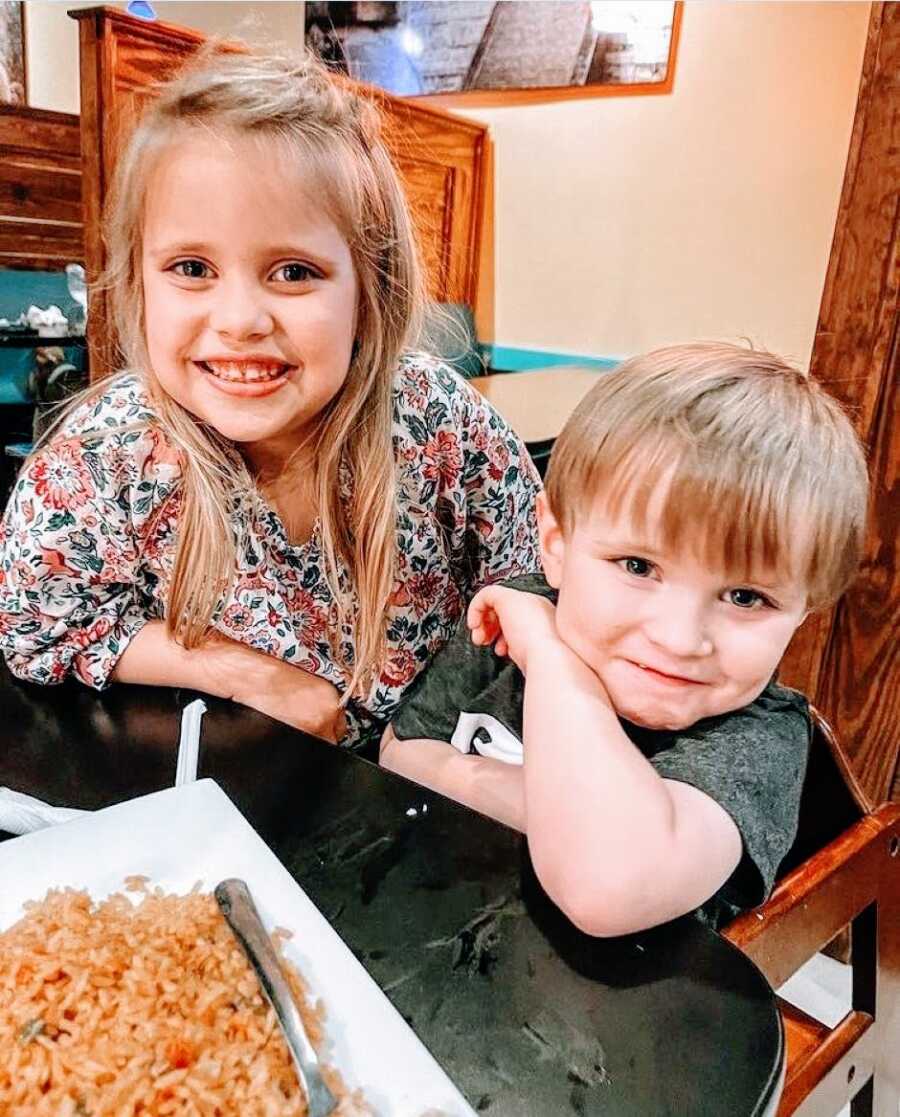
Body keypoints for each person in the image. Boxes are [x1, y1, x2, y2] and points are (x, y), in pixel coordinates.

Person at [0, 48, 540, 751]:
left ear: (369, 287)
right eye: (192, 268)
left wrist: (429, 746)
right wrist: (242, 673)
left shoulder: (439, 422)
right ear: (138, 281)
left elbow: (533, 586)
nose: (240, 320)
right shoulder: (106, 456)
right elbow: (36, 621)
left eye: (292, 271)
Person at [382, 343, 869, 933]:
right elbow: (399, 754)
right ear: (557, 545)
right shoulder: (517, 616)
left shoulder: (754, 740)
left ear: (803, 612)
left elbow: (606, 884)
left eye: (746, 597)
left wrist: (554, 663)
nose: (679, 638)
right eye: (638, 566)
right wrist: (565, 815)